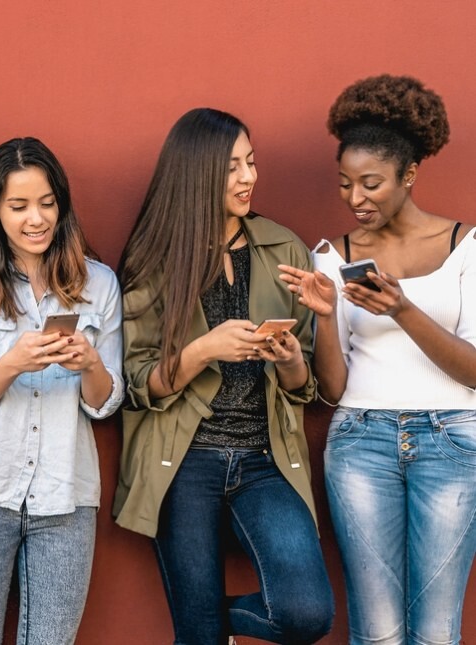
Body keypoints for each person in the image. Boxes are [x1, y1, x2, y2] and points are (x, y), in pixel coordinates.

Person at [114, 107, 334, 645]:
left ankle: (206, 622)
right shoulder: (155, 258)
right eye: (233, 167)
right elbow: (140, 383)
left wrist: (287, 359)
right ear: (197, 172)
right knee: (199, 634)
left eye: (251, 163)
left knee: (305, 614)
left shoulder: (284, 248)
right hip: (183, 462)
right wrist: (203, 349)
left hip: (264, 459)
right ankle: (201, 626)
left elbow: (303, 383)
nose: (249, 177)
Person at [279, 74, 476, 645]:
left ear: (409, 174)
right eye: (345, 185)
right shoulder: (332, 256)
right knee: (377, 632)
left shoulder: (464, 248)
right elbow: (332, 390)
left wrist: (402, 308)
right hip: (361, 440)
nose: (357, 199)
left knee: (436, 631)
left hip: (455, 441)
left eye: (371, 184)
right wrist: (322, 313)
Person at [0, 137, 123, 644]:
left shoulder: (100, 284)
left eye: (46, 203)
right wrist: (12, 363)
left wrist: (90, 365)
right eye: (18, 206)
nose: (35, 219)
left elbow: (107, 402)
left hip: (65, 497)